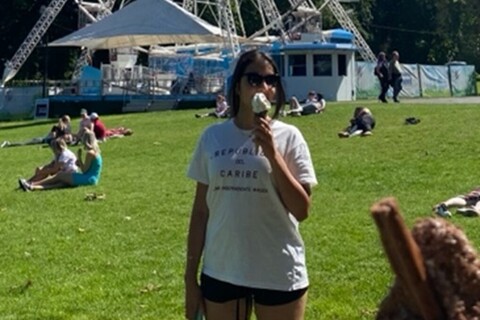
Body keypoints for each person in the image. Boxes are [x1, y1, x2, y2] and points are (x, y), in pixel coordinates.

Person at [185, 49, 317, 320]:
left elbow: (302, 210)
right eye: (254, 79)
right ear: (237, 86)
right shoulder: (213, 137)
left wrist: (272, 153)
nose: (264, 87)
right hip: (222, 269)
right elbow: (201, 213)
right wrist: (190, 279)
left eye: (271, 80)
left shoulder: (290, 137)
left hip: (277, 269)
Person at [19, 129, 102, 191]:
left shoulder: (90, 153)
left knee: (59, 176)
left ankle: (30, 184)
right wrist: (79, 163)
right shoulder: (96, 152)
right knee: (60, 183)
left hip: (88, 179)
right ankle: (33, 187)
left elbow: (84, 171)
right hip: (92, 179)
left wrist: (79, 157)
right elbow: (89, 168)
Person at [1, 115, 73, 148]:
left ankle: (9, 143)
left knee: (26, 142)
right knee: (27, 142)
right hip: (46, 140)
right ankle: (9, 143)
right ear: (66, 121)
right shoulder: (62, 127)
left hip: (45, 139)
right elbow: (55, 136)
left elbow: (54, 136)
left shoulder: (59, 127)